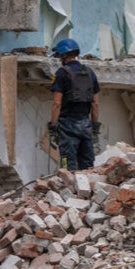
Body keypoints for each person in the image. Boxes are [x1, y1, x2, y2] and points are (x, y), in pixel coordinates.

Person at [49, 38, 101, 171]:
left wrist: (53, 127)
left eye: (60, 55)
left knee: (67, 165)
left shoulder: (61, 74)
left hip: (67, 126)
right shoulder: (90, 73)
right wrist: (94, 127)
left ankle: (67, 188)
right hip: (86, 125)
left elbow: (56, 103)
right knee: (88, 166)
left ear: (64, 55)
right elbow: (95, 104)